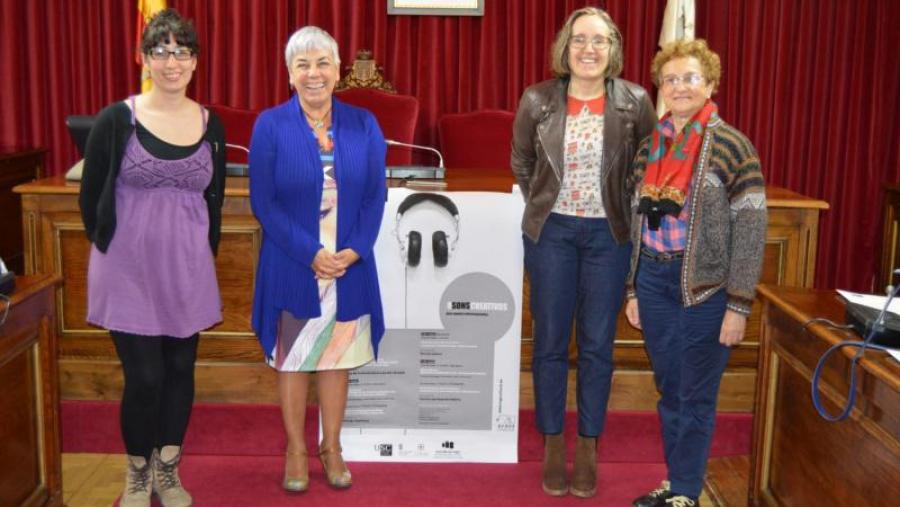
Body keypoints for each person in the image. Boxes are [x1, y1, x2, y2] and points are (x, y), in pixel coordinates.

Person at [78, 9, 225, 507]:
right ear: (142, 58)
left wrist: (201, 257)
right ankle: (137, 472)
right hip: (128, 267)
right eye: (159, 51)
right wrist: (113, 247)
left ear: (195, 61)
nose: (171, 61)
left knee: (181, 372)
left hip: (187, 268)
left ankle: (168, 469)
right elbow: (91, 194)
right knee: (145, 376)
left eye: (182, 51)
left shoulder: (211, 123)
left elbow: (215, 198)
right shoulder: (117, 118)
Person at [510, 6, 656, 498]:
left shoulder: (635, 102)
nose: (588, 49)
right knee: (550, 339)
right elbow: (522, 163)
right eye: (579, 40)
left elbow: (646, 169)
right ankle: (553, 440)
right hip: (551, 233)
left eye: (598, 40)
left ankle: (588, 442)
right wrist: (550, 205)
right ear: (564, 48)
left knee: (597, 344)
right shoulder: (538, 99)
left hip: (609, 237)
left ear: (612, 48)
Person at [624, 39, 766, 507]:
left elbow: (750, 227)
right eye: (670, 79)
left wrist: (739, 305)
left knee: (695, 394)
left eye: (690, 78)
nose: (680, 86)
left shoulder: (732, 145)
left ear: (709, 84)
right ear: (660, 87)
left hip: (706, 291)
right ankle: (676, 481)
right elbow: (635, 221)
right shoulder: (650, 145)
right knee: (670, 391)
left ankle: (686, 490)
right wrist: (633, 290)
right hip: (654, 282)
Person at [249, 26, 386, 492]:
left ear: (337, 70)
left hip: (348, 264)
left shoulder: (363, 123)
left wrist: (355, 249)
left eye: (323, 63)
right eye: (303, 64)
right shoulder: (270, 125)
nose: (314, 73)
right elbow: (264, 203)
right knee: (294, 358)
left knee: (336, 357)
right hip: (293, 262)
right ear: (289, 74)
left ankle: (333, 448)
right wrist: (311, 253)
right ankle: (296, 449)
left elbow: (375, 195)